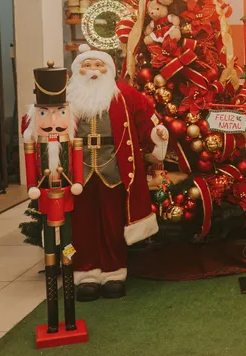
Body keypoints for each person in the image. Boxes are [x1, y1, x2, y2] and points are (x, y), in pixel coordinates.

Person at [66, 44, 169, 301]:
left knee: (113, 221)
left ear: (108, 69)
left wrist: (156, 134)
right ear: (77, 69)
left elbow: (146, 118)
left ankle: (114, 273)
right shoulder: (66, 96)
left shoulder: (124, 93)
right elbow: (45, 120)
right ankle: (86, 273)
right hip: (79, 169)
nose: (93, 71)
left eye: (98, 65)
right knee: (83, 223)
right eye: (87, 65)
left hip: (113, 166)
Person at [23, 61, 84, 335]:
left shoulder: (72, 143)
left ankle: (70, 319)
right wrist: (33, 189)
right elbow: (31, 169)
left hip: (66, 199)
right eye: (45, 114)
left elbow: (78, 165)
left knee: (67, 248)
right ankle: (51, 321)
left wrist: (78, 182)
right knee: (50, 251)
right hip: (47, 199)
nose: (53, 123)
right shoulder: (33, 145)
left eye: (60, 113)